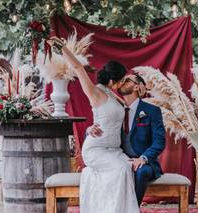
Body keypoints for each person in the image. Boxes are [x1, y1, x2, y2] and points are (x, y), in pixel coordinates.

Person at [48, 37, 140, 213]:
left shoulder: (114, 95)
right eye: (121, 80)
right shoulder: (95, 92)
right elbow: (78, 68)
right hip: (96, 150)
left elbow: (107, 118)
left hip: (114, 151)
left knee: (126, 166)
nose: (123, 84)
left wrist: (91, 127)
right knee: (121, 169)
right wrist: (63, 48)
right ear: (112, 81)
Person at [88, 74, 166, 205]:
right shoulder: (115, 110)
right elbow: (100, 132)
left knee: (141, 172)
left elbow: (160, 141)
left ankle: (132, 208)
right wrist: (89, 130)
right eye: (122, 79)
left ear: (137, 86)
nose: (122, 82)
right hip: (117, 159)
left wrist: (144, 158)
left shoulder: (152, 111)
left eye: (127, 80)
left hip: (144, 162)